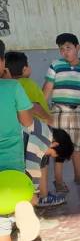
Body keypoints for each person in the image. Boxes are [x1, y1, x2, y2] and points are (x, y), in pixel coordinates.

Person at [5, 51, 71, 207]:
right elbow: (33, 165)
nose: (48, 155)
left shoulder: (7, 85)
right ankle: (41, 198)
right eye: (53, 154)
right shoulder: (42, 139)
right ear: (54, 145)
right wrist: (33, 193)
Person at [0, 39, 41, 241]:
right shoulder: (12, 87)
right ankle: (25, 209)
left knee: (0, 221)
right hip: (12, 169)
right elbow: (27, 122)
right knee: (25, 194)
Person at [42, 33, 80, 193]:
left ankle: (79, 175)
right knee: (61, 145)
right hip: (59, 110)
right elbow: (47, 88)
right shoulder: (56, 65)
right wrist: (42, 110)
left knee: (79, 145)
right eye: (61, 49)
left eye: (68, 48)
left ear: (77, 48)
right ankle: (58, 180)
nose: (65, 52)